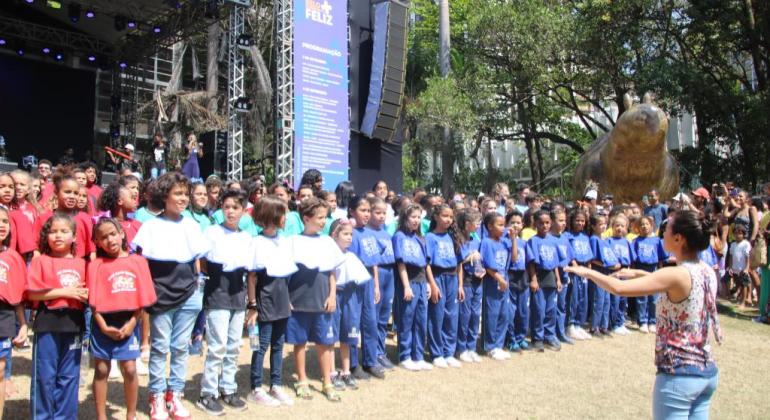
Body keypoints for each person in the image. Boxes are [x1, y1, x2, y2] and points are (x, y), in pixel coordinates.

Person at [566, 210, 722, 420]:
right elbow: (677, 286)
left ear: (678, 238)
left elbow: (619, 289)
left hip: (680, 374)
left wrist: (587, 272)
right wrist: (640, 274)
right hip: (706, 371)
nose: (662, 232)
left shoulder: (675, 274)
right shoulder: (705, 270)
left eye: (666, 228)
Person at [131, 172, 209, 420]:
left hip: (189, 293)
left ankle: (175, 395)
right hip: (161, 293)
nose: (183, 198)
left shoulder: (192, 226)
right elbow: (141, 262)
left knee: (180, 348)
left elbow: (197, 258)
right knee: (160, 347)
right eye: (177, 193)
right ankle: (156, 396)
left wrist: (197, 286)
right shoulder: (150, 226)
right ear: (164, 196)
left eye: (186, 194)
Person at [88, 218, 156, 420]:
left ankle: (131, 414)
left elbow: (143, 299)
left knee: (129, 368)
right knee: (101, 369)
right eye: (103, 237)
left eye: (112, 234)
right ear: (98, 242)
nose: (109, 240)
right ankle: (101, 416)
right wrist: (103, 325)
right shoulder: (96, 265)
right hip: (103, 323)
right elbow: (92, 300)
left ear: (122, 233)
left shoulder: (138, 261)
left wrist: (132, 323)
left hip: (129, 322)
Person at [26, 214, 88, 419]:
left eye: (63, 231)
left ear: (74, 236)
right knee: (44, 377)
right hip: (48, 322)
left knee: (69, 377)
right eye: (53, 231)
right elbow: (33, 293)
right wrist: (65, 292)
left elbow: (89, 293)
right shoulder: (40, 261)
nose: (58, 236)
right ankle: (42, 416)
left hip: (74, 322)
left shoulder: (83, 264)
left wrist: (86, 295)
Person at [196, 189, 251, 415]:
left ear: (243, 211)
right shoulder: (211, 232)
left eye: (235, 208)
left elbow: (249, 270)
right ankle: (207, 393)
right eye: (226, 207)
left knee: (233, 348)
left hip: (238, 297)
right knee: (217, 347)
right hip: (217, 296)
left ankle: (228, 388)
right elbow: (202, 261)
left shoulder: (246, 237)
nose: (230, 211)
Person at [286, 198, 344, 402]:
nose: (323, 221)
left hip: (323, 301)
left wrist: (332, 295)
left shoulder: (327, 241)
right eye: (320, 218)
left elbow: (332, 271)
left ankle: (327, 381)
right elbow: (286, 273)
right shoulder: (293, 241)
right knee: (299, 342)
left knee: (324, 342)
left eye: (325, 217)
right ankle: (301, 380)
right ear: (306, 218)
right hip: (298, 300)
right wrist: (286, 298)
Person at [246, 196, 297, 407]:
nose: (286, 218)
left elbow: (287, 273)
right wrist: (252, 306)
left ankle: (275, 384)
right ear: (272, 216)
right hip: (264, 300)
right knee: (261, 345)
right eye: (283, 214)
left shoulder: (284, 241)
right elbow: (252, 277)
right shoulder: (257, 242)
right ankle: (256, 387)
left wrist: (289, 299)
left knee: (278, 345)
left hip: (282, 299)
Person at [329, 218, 371, 390]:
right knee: (331, 336)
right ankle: (331, 372)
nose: (349, 238)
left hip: (350, 297)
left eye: (351, 235)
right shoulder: (330, 255)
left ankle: (346, 371)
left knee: (348, 336)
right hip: (335, 296)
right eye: (345, 234)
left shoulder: (351, 256)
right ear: (334, 235)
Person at [347, 197, 386, 379]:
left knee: (370, 322)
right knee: (353, 323)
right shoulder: (350, 234)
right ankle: (353, 364)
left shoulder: (369, 233)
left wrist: (377, 285)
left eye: (368, 210)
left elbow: (375, 263)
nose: (366, 214)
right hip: (354, 283)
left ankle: (370, 361)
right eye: (362, 210)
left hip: (369, 280)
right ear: (352, 212)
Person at [392, 203, 432, 371]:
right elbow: (401, 263)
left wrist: (428, 283)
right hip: (408, 282)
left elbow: (425, 264)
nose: (416, 220)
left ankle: (418, 355)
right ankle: (405, 355)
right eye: (412, 217)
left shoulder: (421, 238)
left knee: (421, 320)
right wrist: (407, 286)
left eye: (418, 217)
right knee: (407, 319)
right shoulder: (399, 236)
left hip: (422, 282)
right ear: (405, 218)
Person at [425, 204, 462, 368]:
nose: (448, 219)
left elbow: (459, 263)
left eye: (450, 217)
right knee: (436, 316)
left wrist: (460, 285)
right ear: (435, 217)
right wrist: (432, 285)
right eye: (444, 216)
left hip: (452, 278)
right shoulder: (430, 238)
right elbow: (426, 264)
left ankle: (449, 352)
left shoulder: (453, 236)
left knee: (451, 316)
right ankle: (437, 353)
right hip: (438, 277)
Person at [0, 206, 28, 417]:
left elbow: (18, 295)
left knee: (0, 372)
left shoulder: (13, 258)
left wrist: (23, 324)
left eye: (5, 221)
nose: (1, 225)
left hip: (5, 316)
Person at [526, 210, 565, 352]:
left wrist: (558, 280)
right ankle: (537, 338)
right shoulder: (533, 241)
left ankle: (549, 335)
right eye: (541, 223)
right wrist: (534, 280)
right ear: (535, 223)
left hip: (551, 278)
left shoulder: (553, 241)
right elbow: (531, 263)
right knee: (539, 310)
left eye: (547, 222)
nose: (544, 225)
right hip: (539, 277)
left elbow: (555, 263)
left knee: (551, 310)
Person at [33, 173, 95, 260]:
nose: (72, 196)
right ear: (56, 193)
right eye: (67, 192)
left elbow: (92, 252)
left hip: (76, 269)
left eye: (76, 193)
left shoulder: (84, 219)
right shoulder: (43, 219)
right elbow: (36, 250)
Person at [366, 197, 396, 369]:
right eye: (377, 213)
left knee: (384, 317)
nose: (381, 216)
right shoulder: (367, 232)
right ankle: (371, 354)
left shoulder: (386, 233)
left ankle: (380, 351)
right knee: (373, 317)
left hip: (389, 273)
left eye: (384, 213)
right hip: (376, 274)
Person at [480, 212, 511, 360]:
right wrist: (499, 278)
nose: (503, 228)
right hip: (493, 282)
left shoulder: (505, 242)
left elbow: (515, 257)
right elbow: (487, 265)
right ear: (490, 226)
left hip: (504, 281)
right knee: (492, 314)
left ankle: (499, 344)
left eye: (504, 225)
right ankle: (490, 346)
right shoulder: (486, 242)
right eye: (500, 225)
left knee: (503, 314)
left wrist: (514, 239)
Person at [632, 216, 665, 333]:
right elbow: (633, 259)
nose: (644, 226)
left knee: (654, 298)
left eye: (647, 224)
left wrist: (660, 270)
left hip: (653, 269)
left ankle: (652, 321)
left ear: (652, 226)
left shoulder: (657, 241)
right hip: (640, 269)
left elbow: (661, 258)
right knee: (642, 297)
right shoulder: (636, 241)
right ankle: (642, 321)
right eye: (641, 224)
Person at [589, 213, 619, 337]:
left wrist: (614, 265)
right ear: (593, 226)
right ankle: (594, 326)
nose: (603, 226)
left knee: (607, 300)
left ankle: (604, 325)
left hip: (608, 274)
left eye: (604, 224)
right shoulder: (593, 239)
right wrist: (607, 265)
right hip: (599, 273)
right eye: (600, 224)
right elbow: (593, 258)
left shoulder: (606, 240)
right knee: (599, 300)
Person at [504, 210, 530, 352]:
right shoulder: (504, 241)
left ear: (523, 225)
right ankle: (511, 339)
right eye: (512, 222)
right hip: (510, 277)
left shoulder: (524, 243)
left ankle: (521, 338)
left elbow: (528, 262)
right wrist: (512, 239)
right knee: (511, 311)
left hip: (523, 278)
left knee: (523, 311)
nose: (515, 225)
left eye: (518, 223)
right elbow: (512, 259)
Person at [566, 209, 592, 341]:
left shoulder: (585, 237)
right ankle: (570, 325)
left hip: (584, 270)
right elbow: (569, 254)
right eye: (577, 220)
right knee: (573, 298)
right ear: (571, 221)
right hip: (574, 270)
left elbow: (588, 256)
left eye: (582, 221)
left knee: (583, 298)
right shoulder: (567, 236)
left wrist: (588, 269)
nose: (580, 223)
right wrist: (575, 266)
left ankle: (578, 324)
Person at [607, 214, 635, 336]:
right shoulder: (608, 241)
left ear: (626, 228)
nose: (619, 228)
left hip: (625, 273)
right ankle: (613, 324)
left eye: (622, 226)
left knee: (624, 300)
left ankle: (620, 322)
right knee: (615, 299)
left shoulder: (627, 242)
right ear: (612, 227)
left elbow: (631, 258)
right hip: (614, 272)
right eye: (617, 225)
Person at [728, 224, 752, 308]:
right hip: (735, 268)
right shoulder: (733, 244)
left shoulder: (746, 244)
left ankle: (743, 302)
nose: (737, 235)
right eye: (735, 233)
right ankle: (739, 297)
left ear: (743, 234)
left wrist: (746, 268)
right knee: (738, 284)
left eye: (740, 233)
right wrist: (730, 267)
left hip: (742, 268)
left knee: (744, 285)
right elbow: (731, 256)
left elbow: (747, 257)